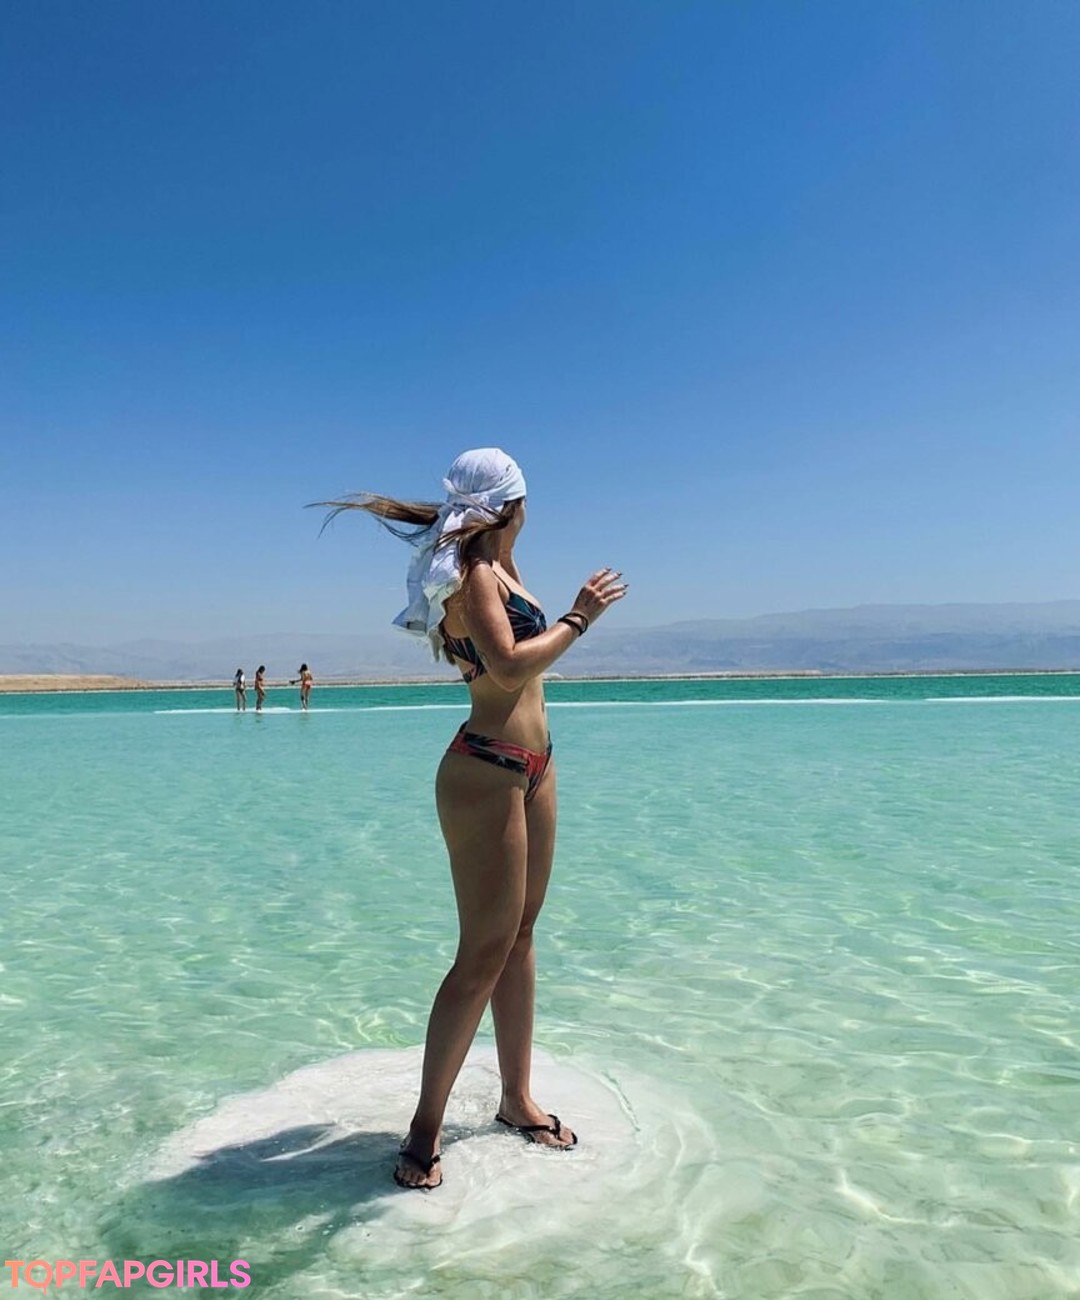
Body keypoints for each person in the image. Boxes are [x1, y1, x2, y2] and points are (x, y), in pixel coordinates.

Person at [317, 448, 627, 1190]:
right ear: (514, 505)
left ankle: (517, 1099)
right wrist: (581, 616)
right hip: (486, 769)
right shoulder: (474, 574)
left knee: (520, 937)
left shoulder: (501, 568)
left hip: (534, 766)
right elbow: (510, 665)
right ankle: (424, 1130)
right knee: (482, 952)